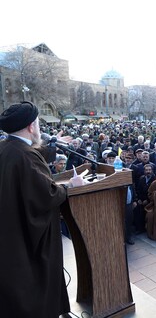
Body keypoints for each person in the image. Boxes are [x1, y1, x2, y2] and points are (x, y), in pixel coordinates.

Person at [0, 101, 70, 316]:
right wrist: (68, 187)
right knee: (36, 281)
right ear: (31, 126)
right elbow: (47, 194)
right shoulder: (25, 156)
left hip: (9, 229)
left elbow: (29, 160)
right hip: (26, 234)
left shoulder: (6, 147)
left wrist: (52, 146)